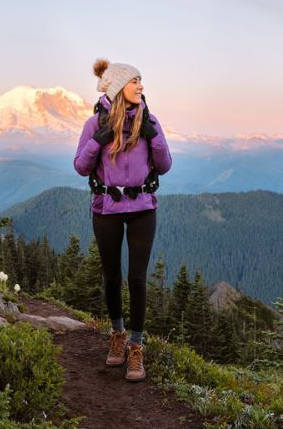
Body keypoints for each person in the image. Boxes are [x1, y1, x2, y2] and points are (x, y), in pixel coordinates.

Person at [73, 59, 173, 382]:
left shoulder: (150, 120)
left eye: (141, 81)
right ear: (118, 87)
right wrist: (98, 140)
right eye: (135, 81)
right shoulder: (94, 124)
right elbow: (80, 166)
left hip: (143, 207)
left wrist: (152, 135)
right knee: (112, 276)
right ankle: (116, 335)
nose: (141, 86)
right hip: (106, 208)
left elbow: (165, 164)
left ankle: (136, 347)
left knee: (138, 279)